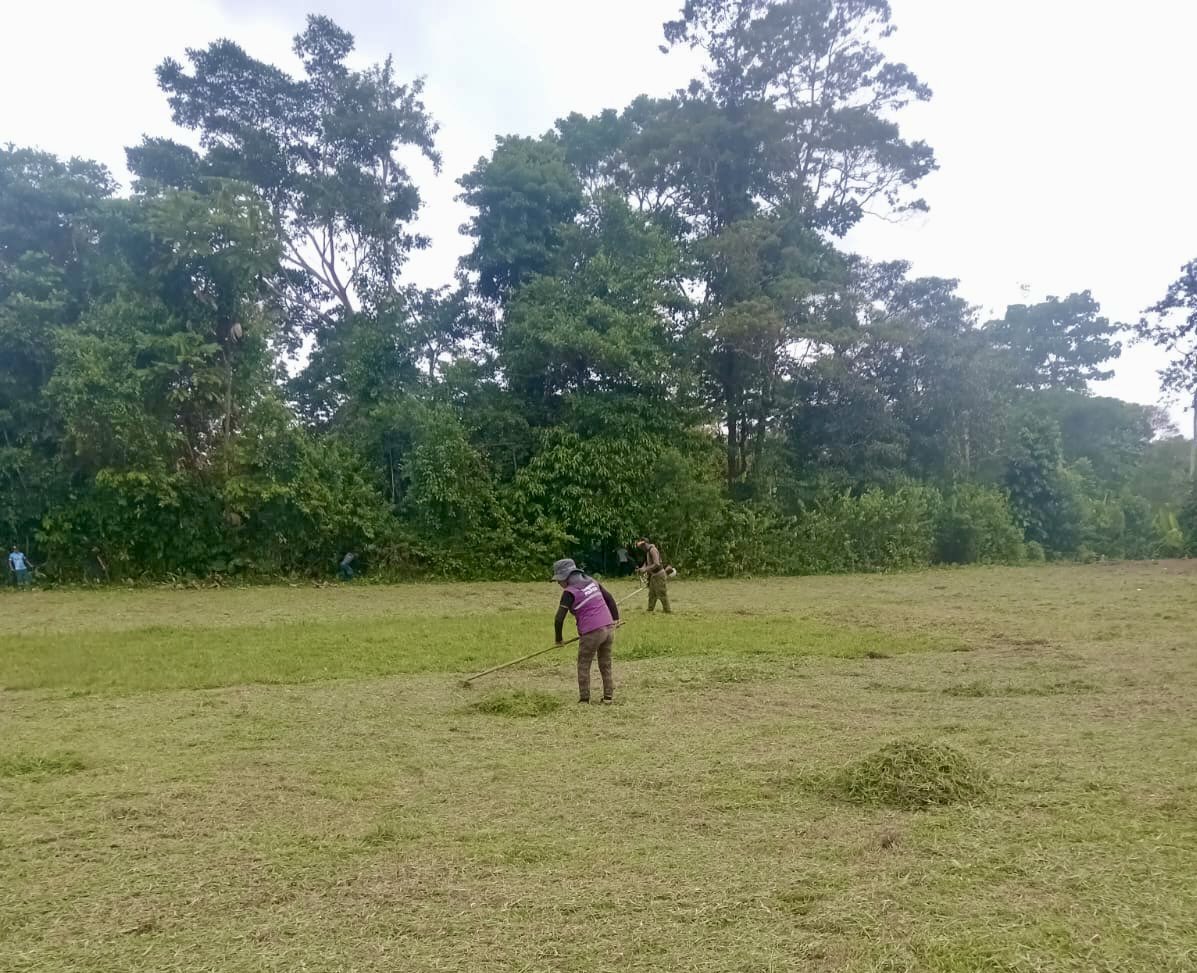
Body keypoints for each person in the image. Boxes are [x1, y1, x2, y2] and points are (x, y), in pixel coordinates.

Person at [552, 558, 620, 704]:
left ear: (565, 577)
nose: (558, 583)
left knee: (583, 663)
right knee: (605, 663)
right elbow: (609, 598)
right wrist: (615, 619)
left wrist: (558, 640)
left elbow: (559, 619)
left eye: (559, 580)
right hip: (608, 628)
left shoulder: (569, 592)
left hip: (592, 632)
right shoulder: (592, 582)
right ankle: (608, 697)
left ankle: (584, 699)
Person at [635, 537, 671, 613]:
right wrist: (641, 569)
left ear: (645, 544)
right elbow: (647, 563)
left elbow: (656, 564)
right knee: (652, 593)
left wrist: (646, 569)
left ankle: (667, 610)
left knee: (661, 593)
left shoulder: (652, 550)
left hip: (659, 574)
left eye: (641, 546)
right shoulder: (647, 551)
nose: (641, 548)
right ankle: (650, 609)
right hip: (653, 575)